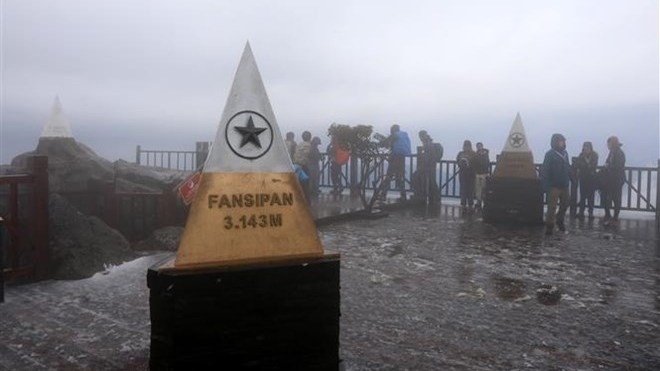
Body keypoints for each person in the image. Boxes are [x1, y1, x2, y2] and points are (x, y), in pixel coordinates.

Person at [541, 133, 571, 235]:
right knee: (552, 207)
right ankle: (549, 226)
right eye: (560, 141)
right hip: (553, 186)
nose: (562, 143)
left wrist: (570, 178)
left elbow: (568, 167)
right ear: (555, 142)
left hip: (564, 185)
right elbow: (545, 170)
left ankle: (560, 220)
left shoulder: (565, 154)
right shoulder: (549, 154)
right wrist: (546, 186)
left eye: (563, 141)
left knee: (565, 204)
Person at [381, 124, 411, 201]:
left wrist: (382, 143)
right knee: (400, 177)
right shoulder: (403, 135)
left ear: (393, 130)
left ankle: (383, 195)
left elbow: (385, 143)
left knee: (388, 177)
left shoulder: (395, 135)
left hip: (395, 158)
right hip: (402, 158)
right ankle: (403, 196)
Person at [602, 136, 626, 225]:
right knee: (609, 198)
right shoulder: (612, 152)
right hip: (611, 179)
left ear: (612, 144)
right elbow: (607, 162)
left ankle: (615, 217)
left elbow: (619, 166)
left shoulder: (619, 153)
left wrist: (609, 166)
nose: (607, 145)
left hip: (617, 179)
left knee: (616, 199)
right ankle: (609, 215)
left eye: (609, 143)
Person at [417, 130, 441, 203]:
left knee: (431, 181)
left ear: (422, 136)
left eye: (420, 136)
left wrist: (422, 164)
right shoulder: (429, 142)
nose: (420, 138)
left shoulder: (427, 143)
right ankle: (434, 197)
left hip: (428, 165)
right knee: (431, 181)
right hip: (431, 165)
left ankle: (435, 197)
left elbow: (428, 155)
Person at [576, 141, 598, 219]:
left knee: (591, 196)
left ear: (591, 147)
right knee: (582, 196)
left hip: (592, 179)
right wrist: (587, 166)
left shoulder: (595, 155)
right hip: (583, 178)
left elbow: (594, 165)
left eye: (588, 147)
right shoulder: (581, 155)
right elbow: (579, 165)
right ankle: (581, 211)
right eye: (585, 147)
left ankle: (590, 212)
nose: (586, 148)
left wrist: (586, 166)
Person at [456, 140, 476, 210]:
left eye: (467, 146)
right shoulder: (460, 153)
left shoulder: (474, 154)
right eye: (465, 146)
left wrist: (469, 164)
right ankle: (463, 203)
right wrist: (461, 163)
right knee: (463, 189)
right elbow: (457, 161)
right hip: (462, 173)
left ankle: (470, 203)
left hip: (471, 174)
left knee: (470, 189)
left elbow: (476, 163)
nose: (466, 147)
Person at [474, 142, 490, 209]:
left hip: (484, 173)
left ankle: (485, 202)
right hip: (477, 174)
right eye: (478, 146)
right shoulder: (476, 154)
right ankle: (479, 202)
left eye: (480, 146)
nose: (479, 147)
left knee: (484, 189)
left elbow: (487, 163)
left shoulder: (486, 154)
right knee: (478, 190)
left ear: (482, 146)